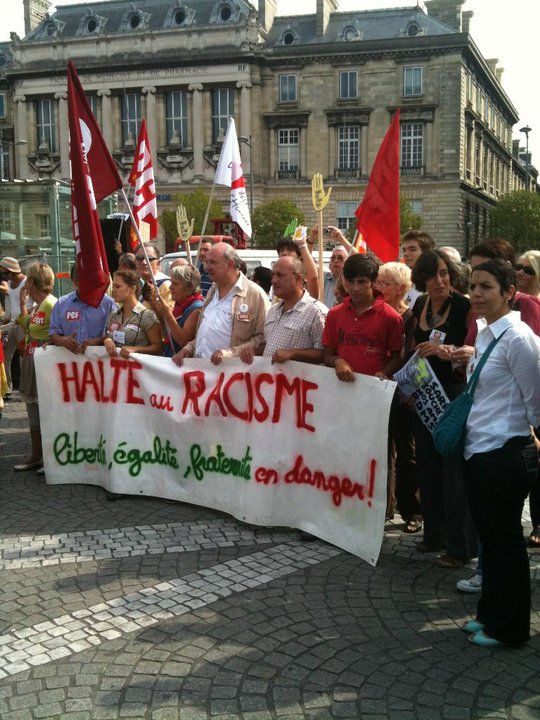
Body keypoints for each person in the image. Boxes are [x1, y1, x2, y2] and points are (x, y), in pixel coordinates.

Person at [461, 259, 540, 648]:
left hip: (506, 450)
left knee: (506, 542)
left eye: (487, 287)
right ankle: (490, 614)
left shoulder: (519, 337)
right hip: (479, 448)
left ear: (509, 292)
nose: (476, 294)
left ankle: (510, 628)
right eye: (473, 286)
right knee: (490, 542)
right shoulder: (483, 332)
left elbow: (536, 400)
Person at [411, 249, 476, 568]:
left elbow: (473, 349)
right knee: (427, 467)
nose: (439, 280)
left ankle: (459, 544)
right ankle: (433, 534)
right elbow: (413, 346)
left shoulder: (463, 305)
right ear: (421, 278)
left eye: (444, 273)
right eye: (433, 274)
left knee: (453, 473)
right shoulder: (420, 304)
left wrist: (443, 350)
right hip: (424, 394)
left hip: (452, 394)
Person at [376, 261, 421, 531]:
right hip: (378, 391)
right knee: (380, 451)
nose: (379, 287)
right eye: (378, 282)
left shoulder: (410, 318)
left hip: (403, 396)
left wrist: (406, 388)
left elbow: (411, 356)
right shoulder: (376, 313)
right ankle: (381, 504)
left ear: (401, 288)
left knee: (406, 453)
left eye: (385, 283)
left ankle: (410, 512)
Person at [173, 243, 269, 365]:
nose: (207, 268)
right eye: (207, 262)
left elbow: (264, 339)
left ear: (230, 264)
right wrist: (189, 348)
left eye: (213, 262)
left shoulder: (255, 295)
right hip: (201, 371)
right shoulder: (212, 291)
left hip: (231, 376)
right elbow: (206, 333)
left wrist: (229, 354)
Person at [322, 254, 403, 381]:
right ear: (345, 281)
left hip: (374, 390)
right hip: (340, 389)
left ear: (374, 281)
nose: (355, 288)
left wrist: (384, 373)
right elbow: (327, 353)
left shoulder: (391, 317)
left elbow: (397, 357)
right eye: (350, 282)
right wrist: (336, 361)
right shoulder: (334, 315)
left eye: (361, 282)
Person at [240, 255, 327, 365]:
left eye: (280, 275)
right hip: (272, 380)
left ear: (298, 279)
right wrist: (253, 351)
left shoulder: (317, 312)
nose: (274, 280)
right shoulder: (273, 311)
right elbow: (269, 345)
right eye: (273, 275)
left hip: (298, 381)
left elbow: (324, 354)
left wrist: (293, 354)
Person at [13, 262, 57, 472]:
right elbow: (26, 325)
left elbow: (56, 333)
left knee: (45, 409)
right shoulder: (38, 305)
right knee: (32, 408)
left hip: (43, 363)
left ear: (32, 282)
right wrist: (23, 305)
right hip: (31, 360)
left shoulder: (51, 304)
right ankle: (36, 456)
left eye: (28, 281)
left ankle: (48, 457)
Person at [48, 265, 116, 353]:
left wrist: (98, 341)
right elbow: (53, 333)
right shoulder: (61, 304)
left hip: (100, 362)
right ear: (75, 282)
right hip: (69, 362)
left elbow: (115, 334)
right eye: (86, 281)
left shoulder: (108, 304)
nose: (91, 285)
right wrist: (63, 341)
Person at [103, 270, 162, 358]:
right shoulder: (114, 315)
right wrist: (107, 340)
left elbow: (158, 348)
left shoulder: (146, 315)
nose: (113, 290)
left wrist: (135, 350)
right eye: (113, 286)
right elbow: (108, 336)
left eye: (117, 287)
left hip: (139, 369)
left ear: (132, 289)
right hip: (117, 369)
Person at [152, 264, 204, 356]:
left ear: (188, 286)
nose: (170, 287)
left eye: (175, 284)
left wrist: (168, 314)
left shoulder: (196, 308)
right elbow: (167, 331)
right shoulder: (180, 304)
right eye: (171, 282)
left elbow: (184, 342)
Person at [0, 256, 31, 398]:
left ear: (13, 271)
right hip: (12, 324)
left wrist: (23, 317)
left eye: (6, 273)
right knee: (4, 357)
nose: (5, 277)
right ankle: (7, 389)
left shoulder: (27, 282)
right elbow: (11, 306)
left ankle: (25, 389)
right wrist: (7, 318)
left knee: (23, 358)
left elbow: (36, 305)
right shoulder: (10, 284)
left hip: (24, 324)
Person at [400, 230, 435, 308]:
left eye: (412, 249)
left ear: (427, 252)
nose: (406, 254)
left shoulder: (435, 284)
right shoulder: (404, 282)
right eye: (404, 250)